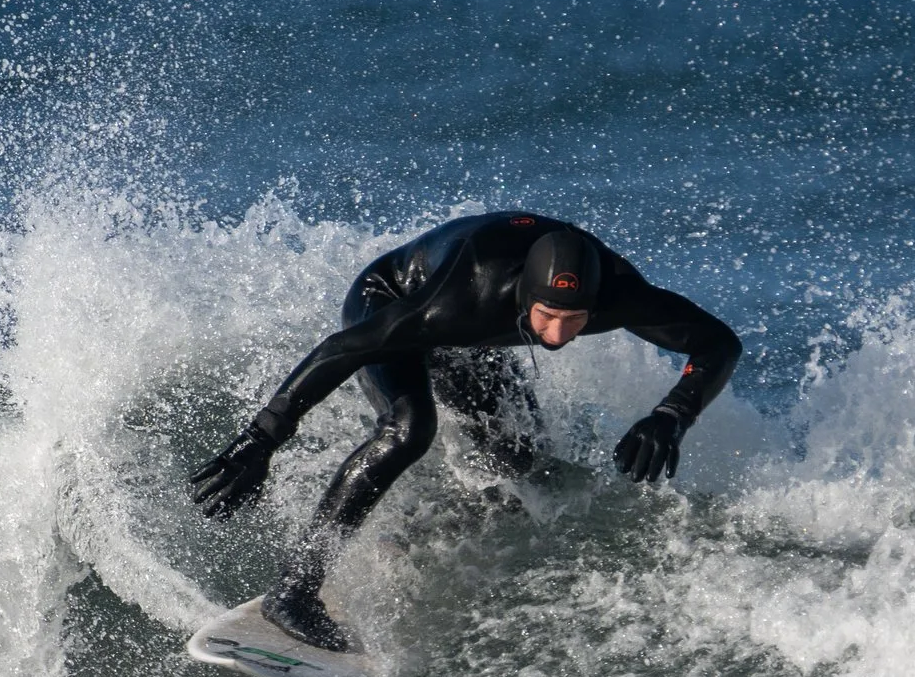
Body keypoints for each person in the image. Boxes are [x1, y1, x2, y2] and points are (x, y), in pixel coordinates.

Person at [188, 211, 741, 650]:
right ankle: (293, 591)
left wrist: (671, 415)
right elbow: (341, 350)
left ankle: (421, 531)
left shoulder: (622, 295)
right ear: (523, 294)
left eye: (575, 320)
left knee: (518, 462)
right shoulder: (462, 301)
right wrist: (261, 440)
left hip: (479, 331)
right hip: (393, 298)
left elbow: (718, 343)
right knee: (408, 431)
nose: (557, 335)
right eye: (548, 316)